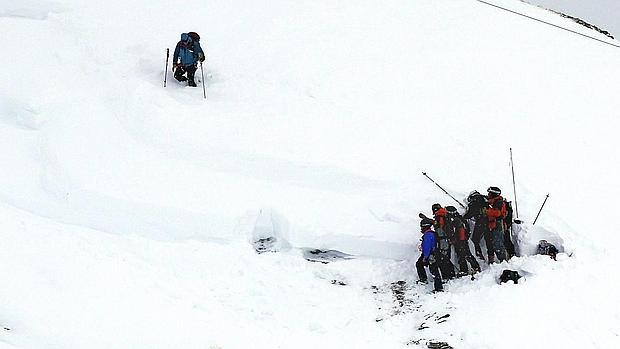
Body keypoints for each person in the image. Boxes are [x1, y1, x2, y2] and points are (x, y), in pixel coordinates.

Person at [446, 206, 481, 276]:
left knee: (463, 255)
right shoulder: (460, 218)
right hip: (463, 240)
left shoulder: (455, 220)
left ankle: (468, 269)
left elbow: (457, 231)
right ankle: (474, 267)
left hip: (460, 241)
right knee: (465, 255)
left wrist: (456, 240)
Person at [463, 191, 493, 262]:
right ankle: (491, 257)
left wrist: (463, 216)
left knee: (475, 240)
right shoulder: (485, 199)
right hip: (489, 222)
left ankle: (479, 256)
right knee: (488, 240)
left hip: (480, 222)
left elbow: (469, 214)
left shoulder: (474, 202)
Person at [416, 218, 444, 292]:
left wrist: (425, 257)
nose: (421, 229)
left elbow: (427, 247)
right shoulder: (431, 233)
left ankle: (439, 288)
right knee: (420, 264)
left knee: (434, 271)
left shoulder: (428, 235)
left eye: (421, 227)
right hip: (434, 254)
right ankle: (424, 280)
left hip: (431, 255)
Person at [431, 204, 456, 279]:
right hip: (447, 240)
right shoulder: (445, 215)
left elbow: (440, 230)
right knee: (446, 258)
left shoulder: (439, 216)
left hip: (443, 241)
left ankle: (447, 276)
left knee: (443, 259)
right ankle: (451, 274)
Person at [484, 186, 507, 263]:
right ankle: (491, 261)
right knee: (489, 243)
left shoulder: (498, 202)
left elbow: (498, 213)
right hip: (490, 224)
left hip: (497, 225)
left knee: (497, 243)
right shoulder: (491, 201)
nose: (488, 194)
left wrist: (486, 212)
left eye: (489, 193)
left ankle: (503, 261)